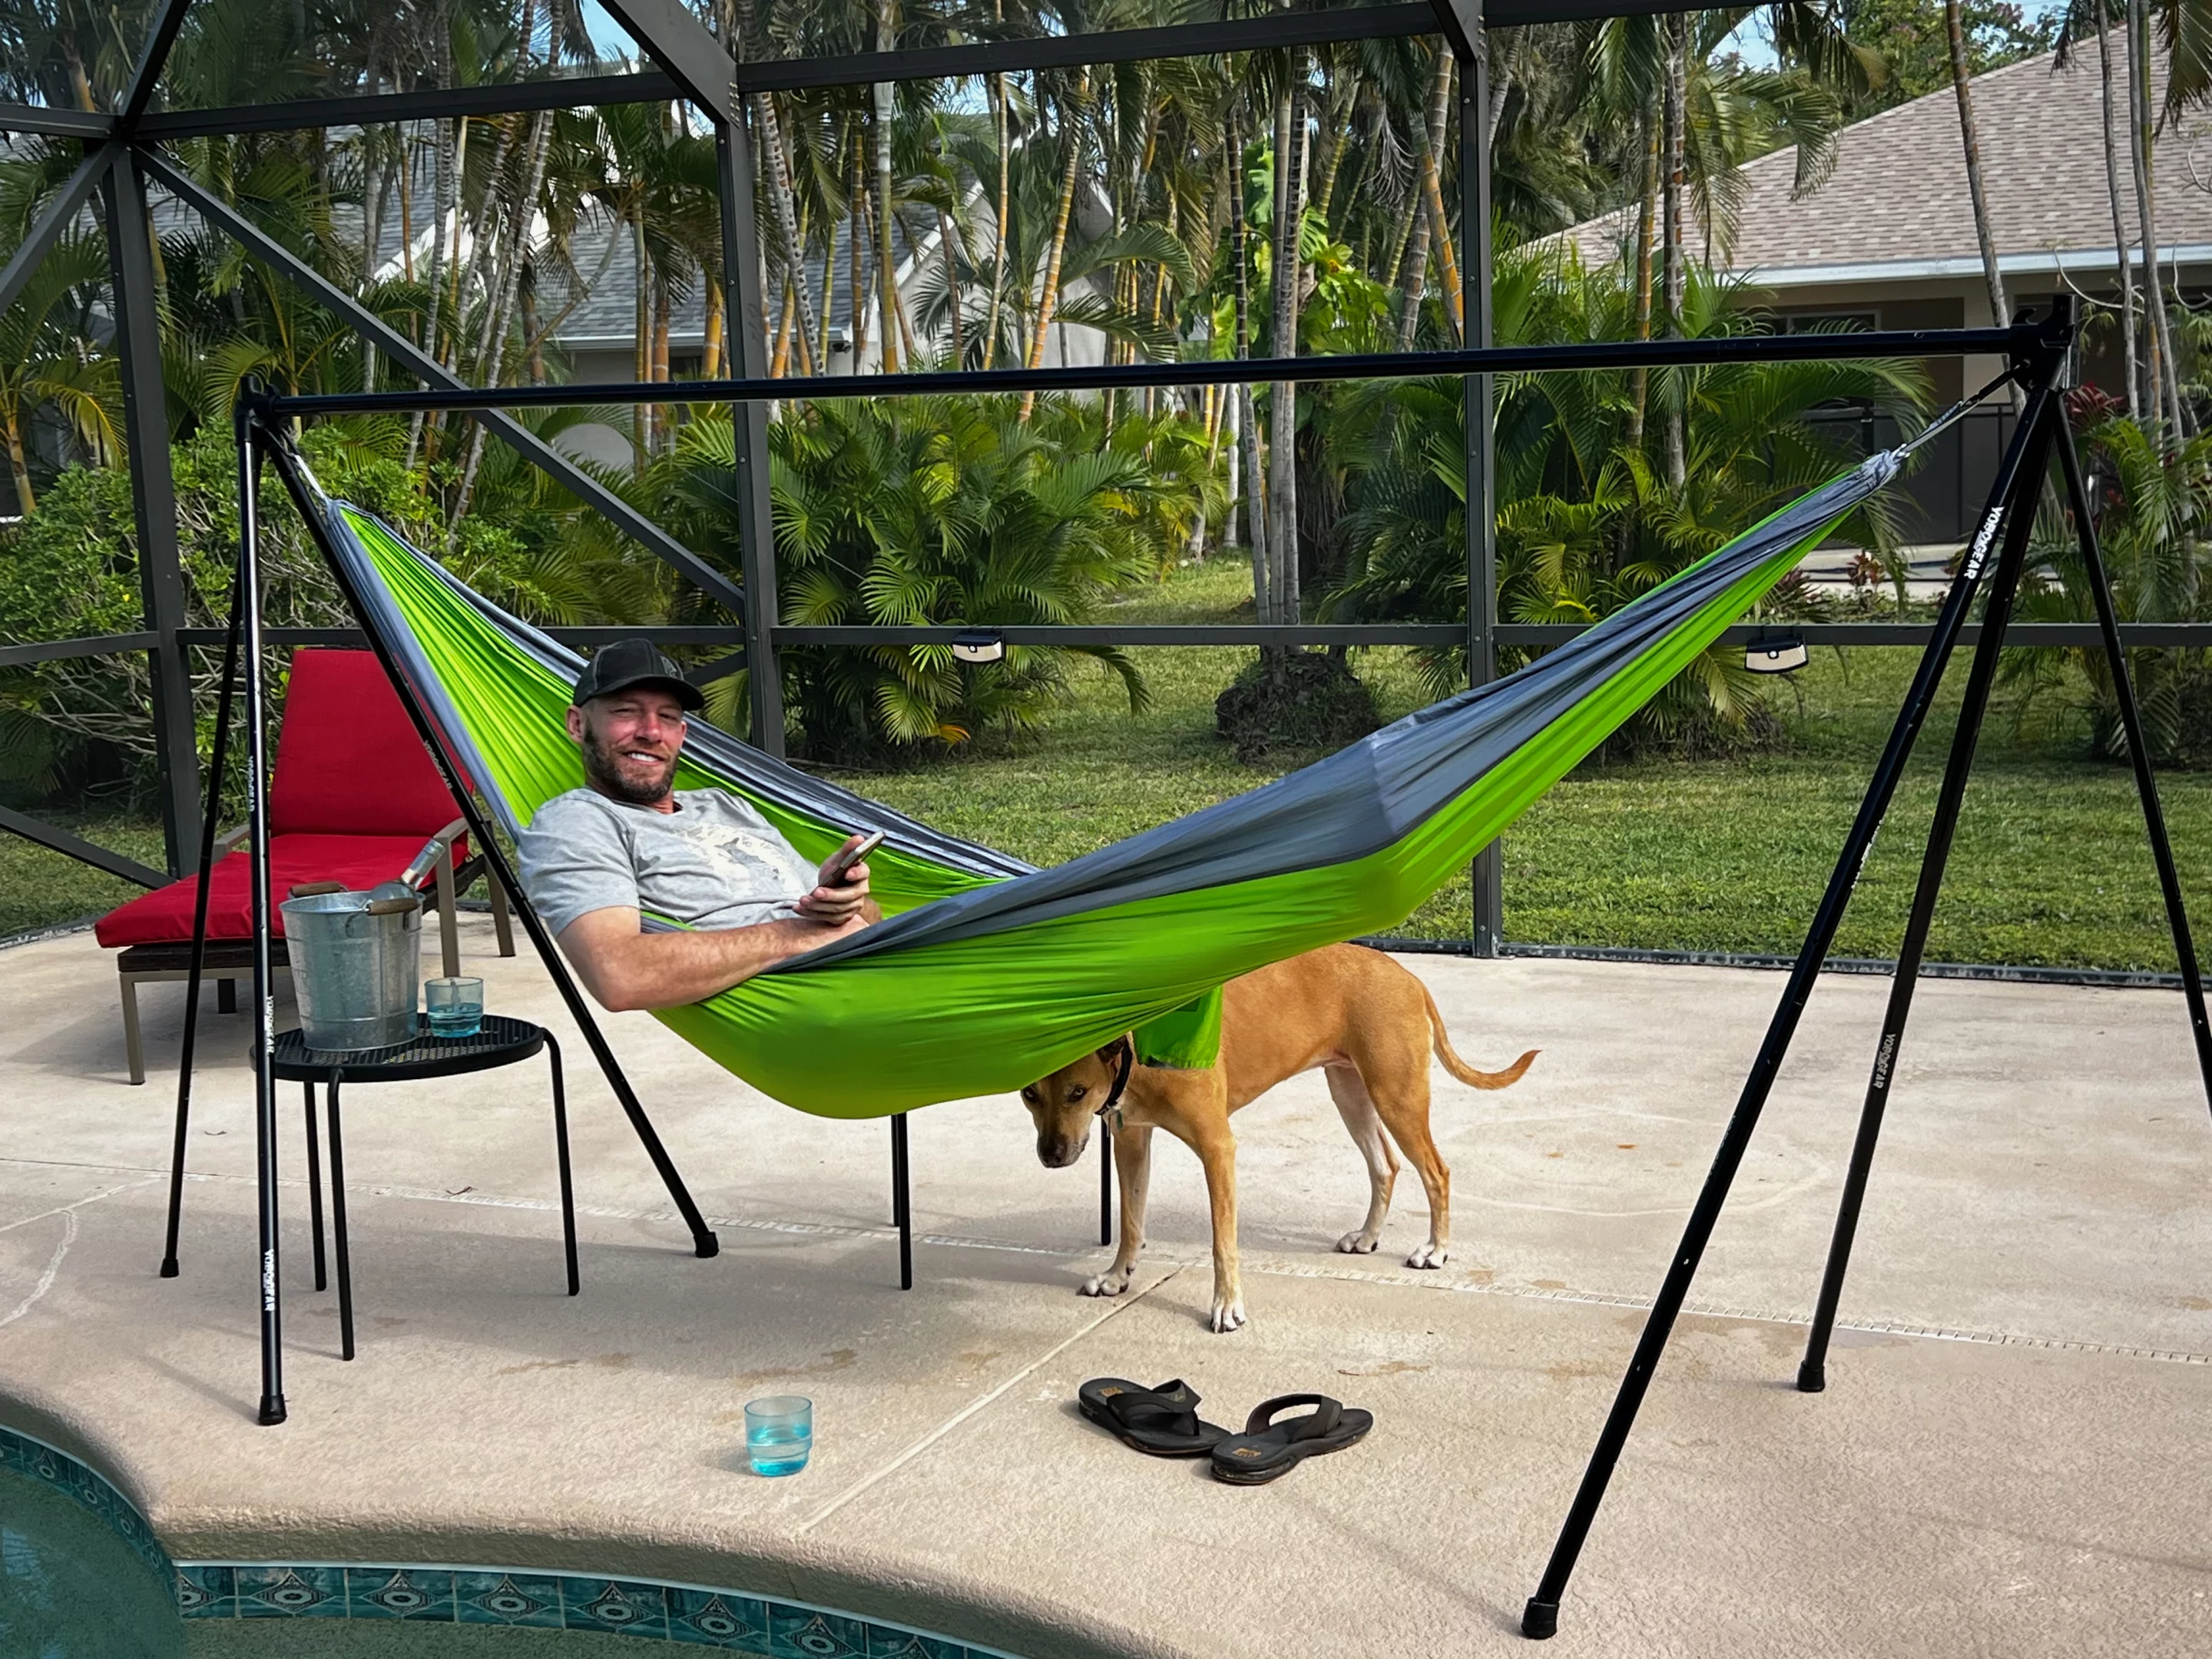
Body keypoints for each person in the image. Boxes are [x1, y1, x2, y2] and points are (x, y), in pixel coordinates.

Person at [516, 639, 879, 1012]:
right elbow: (620, 975)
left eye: (668, 717)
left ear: (683, 735)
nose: (652, 732)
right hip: (821, 993)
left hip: (875, 960)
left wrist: (845, 901)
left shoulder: (726, 805)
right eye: (627, 711)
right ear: (577, 724)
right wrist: (799, 935)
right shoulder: (577, 822)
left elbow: (866, 919)